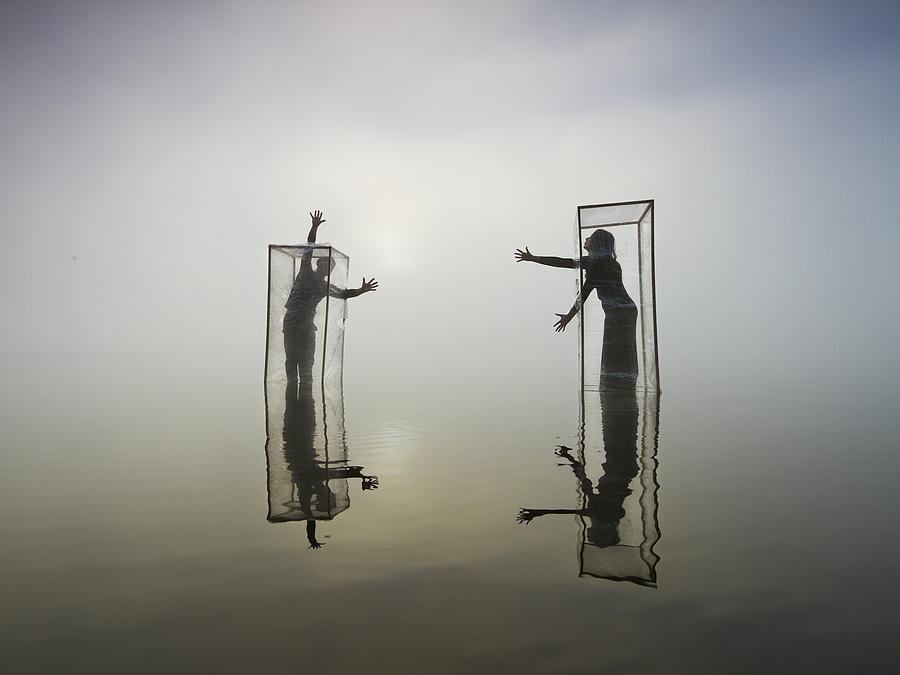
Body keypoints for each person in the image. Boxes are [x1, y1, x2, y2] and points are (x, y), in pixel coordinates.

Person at [515, 228, 637, 389]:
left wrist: (569, 316)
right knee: (616, 353)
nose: (586, 238)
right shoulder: (595, 262)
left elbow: (583, 294)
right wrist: (533, 258)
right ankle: (618, 384)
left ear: (597, 243)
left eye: (591, 237)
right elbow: (563, 262)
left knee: (616, 354)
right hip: (621, 311)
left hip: (620, 313)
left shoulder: (600, 264)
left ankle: (619, 387)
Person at [283, 210, 378, 385]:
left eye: (330, 267)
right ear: (318, 264)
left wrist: (361, 290)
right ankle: (291, 396)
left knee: (306, 364)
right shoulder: (305, 271)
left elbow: (344, 294)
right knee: (291, 360)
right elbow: (308, 248)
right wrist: (314, 227)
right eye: (325, 264)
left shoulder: (325, 287)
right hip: (291, 323)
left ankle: (306, 400)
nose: (327, 268)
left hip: (307, 326)